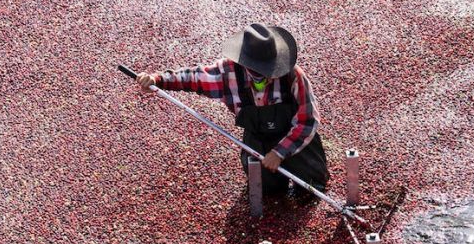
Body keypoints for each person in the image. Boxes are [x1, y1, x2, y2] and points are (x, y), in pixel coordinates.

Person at [136, 23, 329, 200]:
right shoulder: (227, 74)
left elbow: (307, 121)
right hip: (259, 140)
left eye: (272, 71)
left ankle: (306, 179)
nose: (268, 78)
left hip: (294, 136)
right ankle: (272, 185)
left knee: (312, 184)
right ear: (245, 65)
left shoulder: (293, 76)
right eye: (261, 74)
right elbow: (192, 78)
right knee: (266, 190)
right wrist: (157, 80)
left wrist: (280, 152)